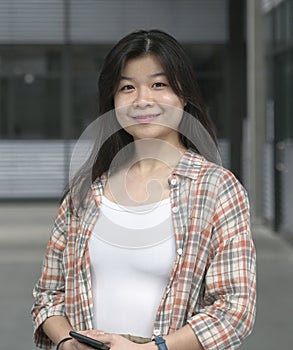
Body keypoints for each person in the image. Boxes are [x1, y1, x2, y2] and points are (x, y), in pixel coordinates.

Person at [31, 29, 256, 350]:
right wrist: (67, 341)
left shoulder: (217, 189)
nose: (142, 100)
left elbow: (234, 309)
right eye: (127, 87)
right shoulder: (86, 193)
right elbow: (48, 294)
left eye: (158, 84)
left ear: (184, 95)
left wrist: (152, 349)